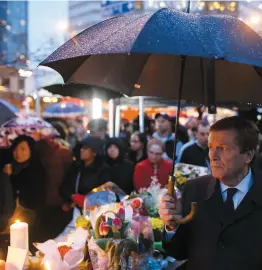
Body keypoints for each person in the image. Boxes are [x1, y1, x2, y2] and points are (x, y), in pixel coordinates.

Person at [159, 116, 262, 270]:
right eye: (210, 147)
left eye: (222, 148)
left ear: (248, 155)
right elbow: (179, 252)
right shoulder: (195, 189)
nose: (212, 156)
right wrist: (173, 225)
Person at [4, 135, 47, 245]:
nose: (18, 153)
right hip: (12, 216)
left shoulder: (36, 169)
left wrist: (10, 177)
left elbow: (32, 195)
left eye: (23, 149)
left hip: (29, 216)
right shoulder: (11, 168)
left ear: (31, 150)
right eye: (15, 149)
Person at [60, 136, 112, 209]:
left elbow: (105, 195)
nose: (81, 150)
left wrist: (87, 200)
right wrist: (72, 197)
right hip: (75, 210)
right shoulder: (76, 167)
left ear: (94, 152)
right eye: (81, 148)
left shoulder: (103, 170)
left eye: (85, 148)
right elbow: (64, 187)